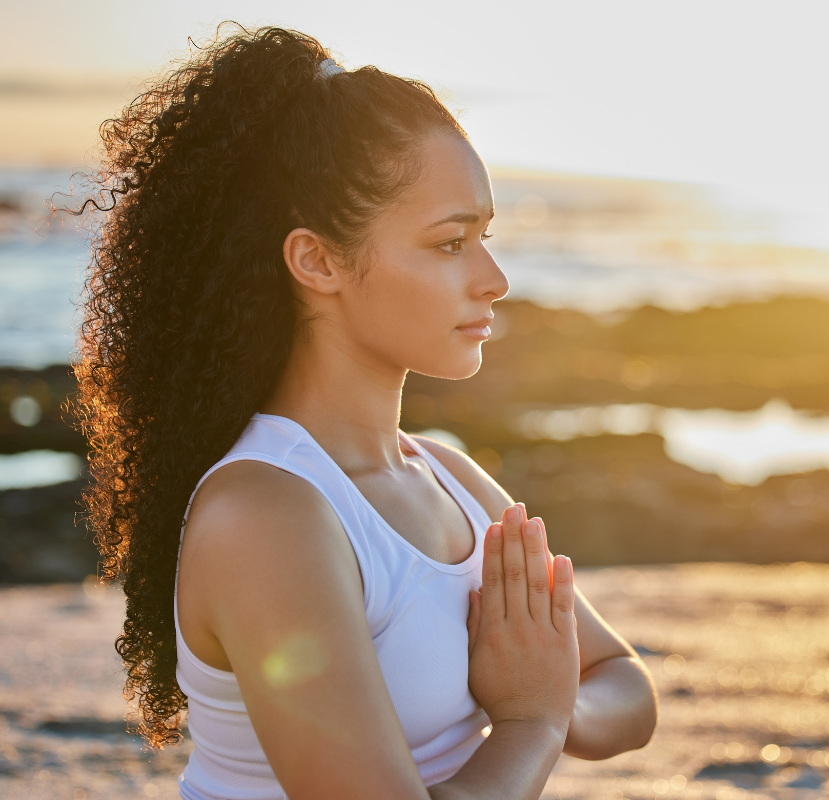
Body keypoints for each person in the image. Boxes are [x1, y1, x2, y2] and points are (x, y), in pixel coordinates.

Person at [71, 25, 657, 800]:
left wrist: (553, 701)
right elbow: (550, 707)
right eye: (450, 243)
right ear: (317, 261)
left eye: (485, 236)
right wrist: (532, 721)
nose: (494, 279)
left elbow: (624, 686)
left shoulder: (445, 472)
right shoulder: (265, 516)